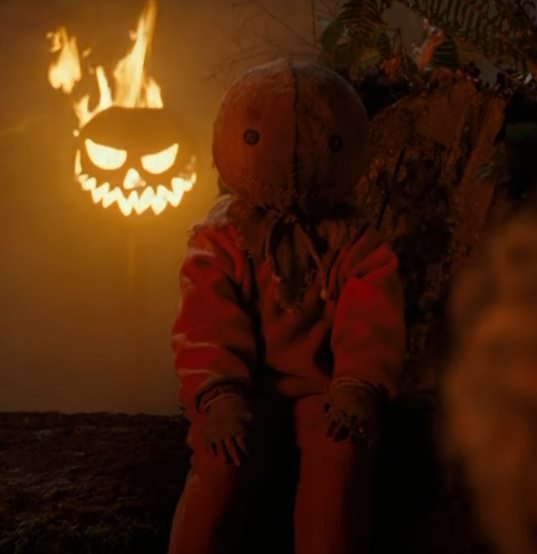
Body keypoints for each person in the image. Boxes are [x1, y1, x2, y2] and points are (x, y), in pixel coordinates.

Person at [166, 58, 406, 554]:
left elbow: (371, 319)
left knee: (341, 457)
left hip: (324, 391)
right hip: (243, 390)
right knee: (219, 462)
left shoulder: (353, 243)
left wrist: (357, 384)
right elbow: (206, 323)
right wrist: (217, 394)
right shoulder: (222, 239)